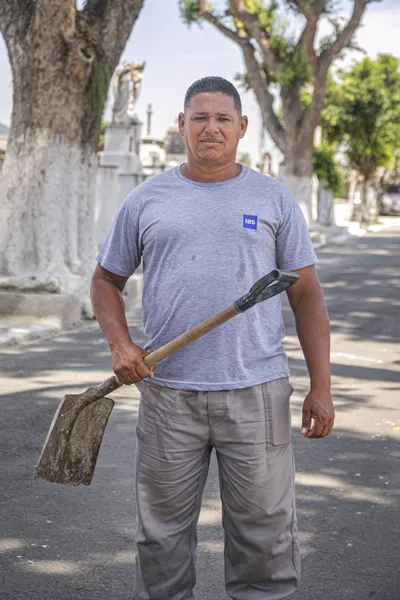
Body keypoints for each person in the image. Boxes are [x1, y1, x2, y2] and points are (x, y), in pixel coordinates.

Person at [91, 76, 334, 600]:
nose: (210, 128)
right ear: (181, 125)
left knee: (265, 537)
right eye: (199, 117)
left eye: (223, 118)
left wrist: (322, 385)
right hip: (169, 392)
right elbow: (105, 280)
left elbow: (307, 296)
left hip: (256, 391)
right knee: (160, 538)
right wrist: (120, 344)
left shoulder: (272, 199)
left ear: (242, 127)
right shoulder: (146, 199)